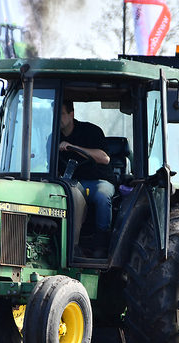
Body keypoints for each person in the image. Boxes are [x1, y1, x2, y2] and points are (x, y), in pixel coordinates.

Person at [59, 100, 116, 257]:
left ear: (71, 114)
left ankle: (101, 243)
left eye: (62, 113)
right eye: (56, 113)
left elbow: (104, 158)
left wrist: (74, 148)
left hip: (97, 180)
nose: (58, 117)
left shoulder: (91, 131)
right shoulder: (53, 136)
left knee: (102, 196)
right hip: (70, 183)